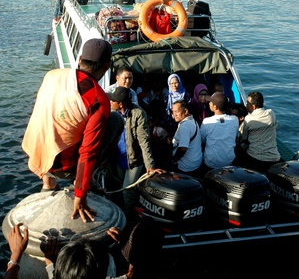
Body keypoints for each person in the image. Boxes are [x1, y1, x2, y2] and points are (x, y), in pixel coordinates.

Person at [22, 39, 124, 223]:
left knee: (55, 118)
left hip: (34, 151)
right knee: (116, 120)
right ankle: (86, 178)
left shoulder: (52, 75)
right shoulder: (98, 99)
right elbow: (89, 151)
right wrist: (80, 195)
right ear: (107, 65)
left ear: (79, 59)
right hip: (64, 168)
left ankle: (47, 181)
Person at [107, 86, 164, 220]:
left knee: (127, 191)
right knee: (120, 187)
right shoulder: (113, 113)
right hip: (119, 158)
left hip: (134, 160)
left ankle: (129, 218)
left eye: (112, 101)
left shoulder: (138, 114)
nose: (110, 102)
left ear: (120, 104)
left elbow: (144, 142)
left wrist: (150, 166)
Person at [234, 91, 281, 173]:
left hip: (256, 159)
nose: (246, 105)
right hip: (275, 158)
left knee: (237, 148)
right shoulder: (271, 113)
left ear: (254, 106)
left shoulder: (249, 119)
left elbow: (244, 139)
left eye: (247, 103)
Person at [199, 92, 239, 177]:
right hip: (229, 161)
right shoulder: (235, 120)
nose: (209, 103)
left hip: (211, 163)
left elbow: (201, 140)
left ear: (215, 107)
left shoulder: (207, 121)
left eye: (210, 102)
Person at [171, 100, 202, 176]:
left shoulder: (184, 126)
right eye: (173, 112)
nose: (173, 115)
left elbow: (183, 148)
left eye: (176, 112)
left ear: (185, 111)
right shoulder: (192, 120)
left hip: (185, 167)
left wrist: (173, 160)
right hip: (196, 162)